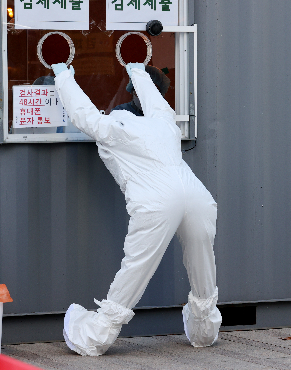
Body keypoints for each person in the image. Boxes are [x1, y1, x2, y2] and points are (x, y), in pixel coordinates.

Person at [51, 62, 221, 356]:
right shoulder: (163, 123)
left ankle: (95, 337)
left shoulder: (114, 126)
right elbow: (156, 102)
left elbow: (83, 115)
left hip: (155, 200)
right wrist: (137, 70)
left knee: (137, 267)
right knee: (203, 263)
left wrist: (63, 76)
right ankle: (205, 332)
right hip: (196, 195)